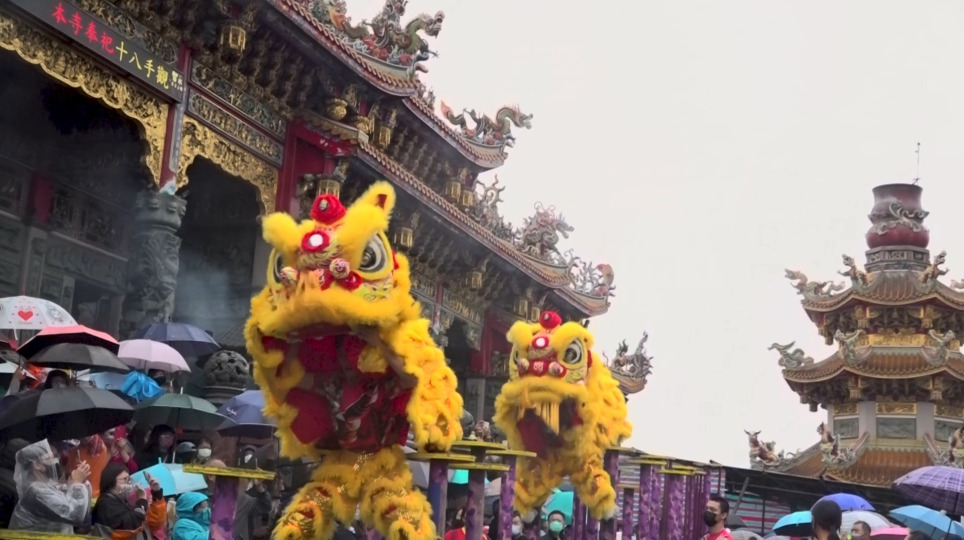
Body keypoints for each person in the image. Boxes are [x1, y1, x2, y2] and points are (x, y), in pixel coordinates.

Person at [9, 439, 92, 533]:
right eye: (51, 457)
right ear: (37, 464)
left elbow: (84, 510)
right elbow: (75, 515)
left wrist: (82, 482)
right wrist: (77, 483)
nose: (56, 461)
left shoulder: (47, 487)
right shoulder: (36, 493)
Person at [91, 463, 167, 540]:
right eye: (125, 479)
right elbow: (133, 525)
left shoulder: (123, 501)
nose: (129, 483)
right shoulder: (106, 504)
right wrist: (142, 500)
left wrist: (157, 492)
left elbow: (155, 523)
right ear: (111, 481)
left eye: (129, 479)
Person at [204, 458, 272, 540]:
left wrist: (259, 488)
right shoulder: (197, 502)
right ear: (211, 476)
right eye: (223, 471)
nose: (228, 475)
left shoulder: (240, 498)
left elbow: (264, 507)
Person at [65, 434, 111, 498]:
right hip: (77, 491)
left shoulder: (100, 448)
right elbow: (68, 472)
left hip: (92, 494)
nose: (85, 437)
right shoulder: (73, 452)